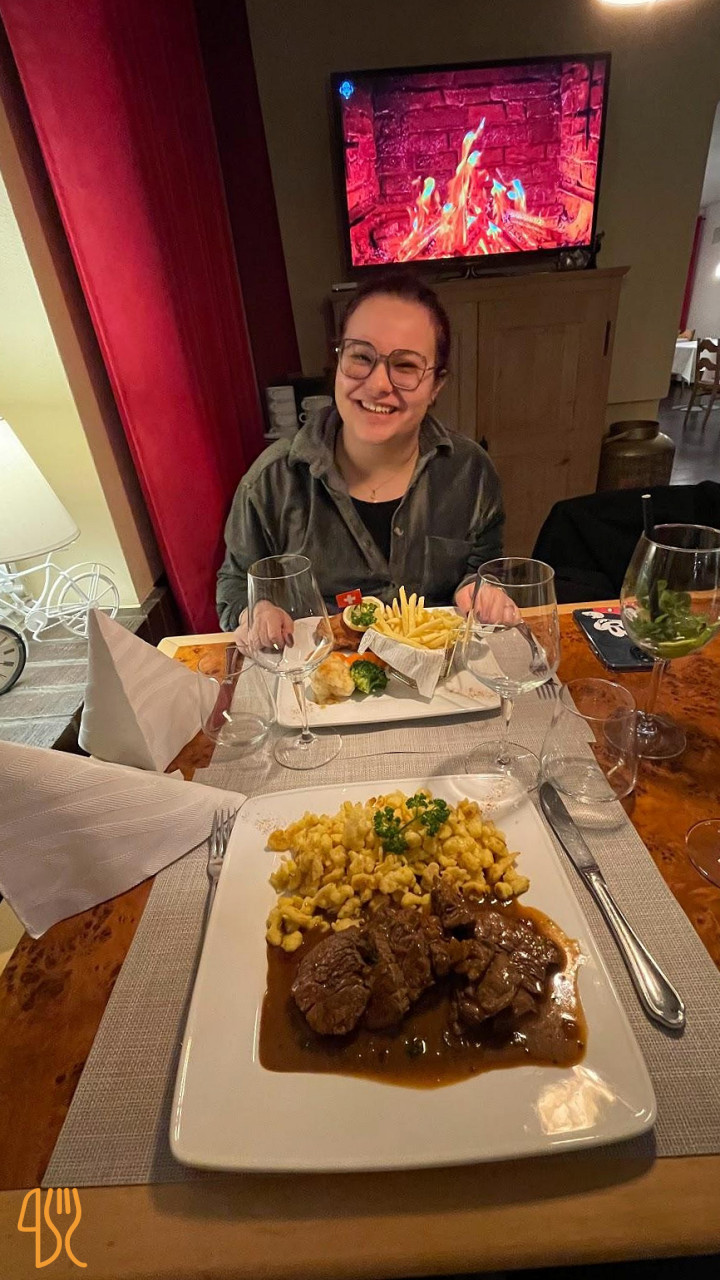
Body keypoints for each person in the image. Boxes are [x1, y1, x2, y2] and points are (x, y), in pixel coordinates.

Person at [217, 272, 516, 651]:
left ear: (436, 386)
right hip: (319, 670)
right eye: (361, 357)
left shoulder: (471, 472)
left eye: (405, 366)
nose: (378, 385)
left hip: (438, 670)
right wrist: (255, 610)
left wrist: (479, 589)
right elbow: (235, 583)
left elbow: (482, 566)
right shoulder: (271, 481)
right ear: (339, 361)